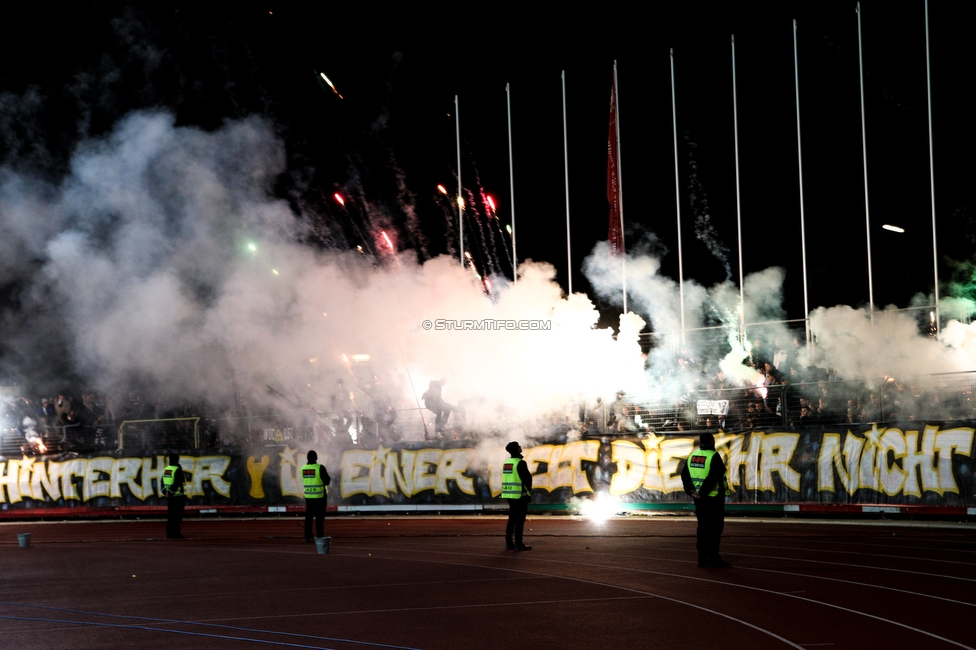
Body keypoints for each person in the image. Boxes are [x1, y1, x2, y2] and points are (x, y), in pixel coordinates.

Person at [680, 433, 731, 568]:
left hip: (699, 500)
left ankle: (702, 558)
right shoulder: (714, 456)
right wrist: (702, 493)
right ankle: (714, 558)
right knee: (715, 529)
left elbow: (685, 475)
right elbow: (713, 477)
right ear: (712, 442)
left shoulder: (692, 456)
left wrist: (692, 491)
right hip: (713, 499)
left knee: (702, 528)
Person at [501, 441, 532, 551]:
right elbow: (527, 480)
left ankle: (509, 543)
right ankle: (519, 543)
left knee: (512, 519)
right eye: (519, 446)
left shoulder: (507, 463)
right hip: (520, 495)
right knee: (520, 520)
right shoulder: (521, 463)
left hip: (509, 495)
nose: (520, 447)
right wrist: (529, 493)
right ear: (516, 449)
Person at [302, 449, 331, 543]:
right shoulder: (320, 468)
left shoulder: (303, 469)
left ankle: (308, 536)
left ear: (307, 458)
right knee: (319, 518)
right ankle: (319, 536)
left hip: (308, 497)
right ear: (316, 458)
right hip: (320, 497)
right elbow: (327, 481)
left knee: (309, 518)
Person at [161, 453, 187, 539]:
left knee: (171, 515)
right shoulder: (178, 470)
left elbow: (162, 482)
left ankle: (169, 533)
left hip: (170, 497)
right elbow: (178, 483)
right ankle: (176, 533)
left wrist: (166, 493)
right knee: (177, 516)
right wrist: (171, 492)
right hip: (178, 496)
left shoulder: (166, 469)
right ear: (178, 460)